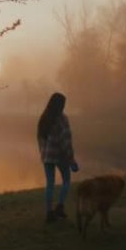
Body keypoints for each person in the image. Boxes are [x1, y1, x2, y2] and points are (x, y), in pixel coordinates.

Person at [37, 92, 79, 223]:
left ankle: (49, 213)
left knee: (50, 184)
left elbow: (39, 137)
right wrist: (72, 160)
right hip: (60, 156)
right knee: (66, 181)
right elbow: (66, 141)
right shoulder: (62, 119)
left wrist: (42, 153)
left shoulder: (44, 118)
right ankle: (60, 207)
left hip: (47, 156)